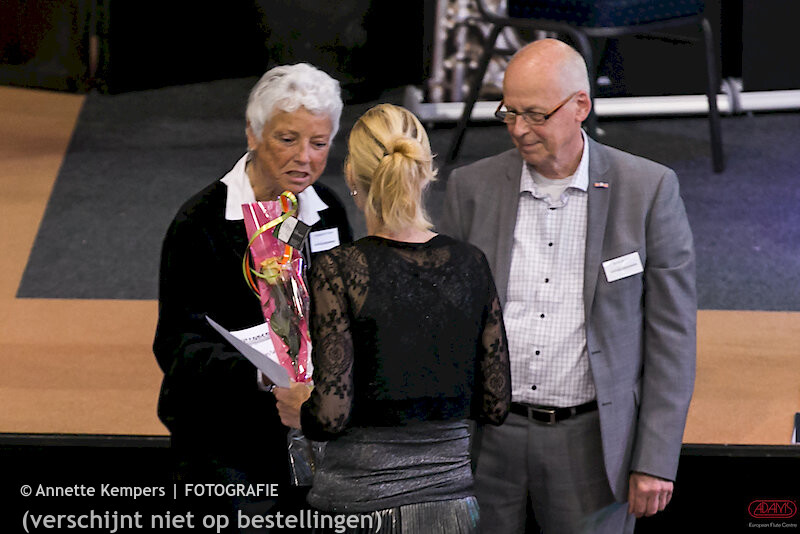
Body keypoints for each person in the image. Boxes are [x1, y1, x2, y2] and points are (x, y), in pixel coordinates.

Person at [439, 38, 697, 534]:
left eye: (535, 115)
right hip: (489, 441)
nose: (519, 129)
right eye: (509, 112)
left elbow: (673, 340)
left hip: (591, 446)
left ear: (580, 105)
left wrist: (655, 458)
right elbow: (447, 326)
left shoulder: (647, 191)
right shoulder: (470, 189)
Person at [273, 103, 511, 533]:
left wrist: (300, 409)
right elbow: (495, 405)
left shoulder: (340, 270)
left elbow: (330, 417)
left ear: (352, 176)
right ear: (426, 170)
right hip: (452, 510)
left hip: (360, 509)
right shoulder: (471, 264)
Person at [153, 63, 353, 525]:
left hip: (312, 439)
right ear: (253, 133)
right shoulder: (199, 224)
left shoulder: (328, 213)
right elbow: (176, 347)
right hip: (223, 447)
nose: (304, 158)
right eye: (288, 139)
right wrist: (262, 376)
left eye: (319, 143)